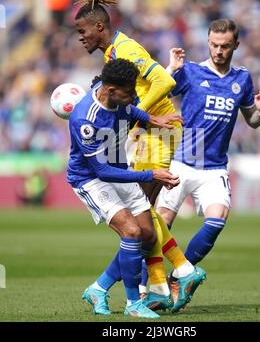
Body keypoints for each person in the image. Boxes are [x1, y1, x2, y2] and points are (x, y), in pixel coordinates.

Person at [74, 0, 206, 313]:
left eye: (82, 30)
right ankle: (163, 283)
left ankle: (173, 276)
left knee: (140, 223)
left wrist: (136, 116)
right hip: (149, 131)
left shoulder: (126, 50)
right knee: (142, 221)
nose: (80, 37)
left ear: (99, 26)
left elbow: (164, 81)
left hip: (155, 134)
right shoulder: (114, 53)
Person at [156, 19, 260, 284]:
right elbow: (159, 89)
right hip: (183, 160)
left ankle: (177, 277)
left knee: (217, 219)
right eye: (214, 45)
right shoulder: (192, 72)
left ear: (236, 45)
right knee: (160, 222)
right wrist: (171, 68)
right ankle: (146, 285)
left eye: (225, 46)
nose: (218, 50)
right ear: (208, 42)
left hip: (214, 166)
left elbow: (252, 120)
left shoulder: (242, 78)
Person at [67, 58, 182, 319]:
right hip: (91, 179)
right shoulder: (86, 120)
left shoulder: (120, 99)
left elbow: (131, 111)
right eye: (128, 93)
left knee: (149, 237)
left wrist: (154, 118)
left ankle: (99, 288)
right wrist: (151, 174)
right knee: (131, 232)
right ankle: (133, 304)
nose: (133, 97)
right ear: (109, 90)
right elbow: (102, 171)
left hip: (121, 171)